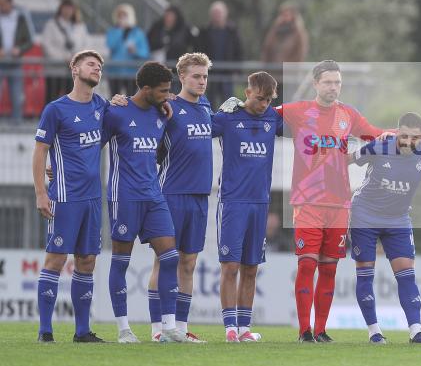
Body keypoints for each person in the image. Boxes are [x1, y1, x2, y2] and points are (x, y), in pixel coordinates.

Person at [274, 60, 389, 343]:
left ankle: (322, 330)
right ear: (315, 84)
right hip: (308, 203)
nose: (333, 87)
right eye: (328, 82)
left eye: (337, 82)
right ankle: (304, 331)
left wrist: (403, 135)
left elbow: (373, 134)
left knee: (329, 268)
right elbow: (262, 113)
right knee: (307, 265)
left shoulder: (348, 115)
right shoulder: (299, 111)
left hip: (339, 204)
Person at [350, 112, 421, 344]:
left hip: (397, 220)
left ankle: (416, 332)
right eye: (404, 136)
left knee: (407, 276)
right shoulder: (379, 145)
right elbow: (347, 159)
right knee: (366, 276)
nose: (409, 141)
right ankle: (375, 332)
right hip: (364, 216)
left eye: (415, 137)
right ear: (397, 133)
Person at [104, 61, 185, 343]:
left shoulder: (161, 112)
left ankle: (169, 327)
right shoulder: (116, 112)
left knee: (171, 256)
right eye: (163, 90)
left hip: (154, 195)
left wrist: (165, 101)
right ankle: (124, 329)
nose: (168, 94)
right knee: (121, 261)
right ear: (146, 88)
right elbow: (91, 146)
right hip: (124, 196)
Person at [33, 50, 107, 343]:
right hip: (64, 197)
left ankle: (82, 331)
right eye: (91, 64)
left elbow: (97, 142)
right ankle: (45, 331)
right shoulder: (56, 109)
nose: (96, 69)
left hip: (92, 199)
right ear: (74, 69)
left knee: (87, 260)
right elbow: (40, 151)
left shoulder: (101, 106)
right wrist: (41, 192)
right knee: (55, 259)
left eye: (100, 67)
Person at [141, 53, 213, 343]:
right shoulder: (166, 107)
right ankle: (158, 328)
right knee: (164, 261)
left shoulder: (207, 107)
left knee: (189, 263)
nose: (202, 81)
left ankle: (181, 329)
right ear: (181, 77)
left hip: (199, 196)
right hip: (170, 193)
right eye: (196, 76)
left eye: (205, 76)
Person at [214, 72, 284, 342]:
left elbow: (304, 120)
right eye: (259, 98)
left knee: (251, 268)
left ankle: (244, 329)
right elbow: (197, 128)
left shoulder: (272, 119)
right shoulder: (228, 117)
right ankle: (229, 327)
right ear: (247, 92)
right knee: (230, 266)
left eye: (268, 100)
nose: (263, 104)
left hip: (260, 203)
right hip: (233, 201)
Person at [40, 0, 90, 102]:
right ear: (60, 9)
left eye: (70, 8)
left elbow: (86, 45)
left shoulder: (80, 26)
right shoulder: (51, 25)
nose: (67, 11)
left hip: (74, 71)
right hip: (55, 70)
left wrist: (76, 58)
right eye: (65, 8)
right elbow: (46, 45)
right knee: (51, 98)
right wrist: (63, 58)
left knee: (73, 99)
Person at [197, 1, 242, 106]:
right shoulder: (204, 31)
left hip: (227, 74)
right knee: (209, 103)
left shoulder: (232, 31)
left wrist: (237, 70)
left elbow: (238, 51)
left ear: (225, 14)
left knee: (229, 104)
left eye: (219, 13)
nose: (217, 16)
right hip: (209, 74)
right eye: (215, 13)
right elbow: (198, 51)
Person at [0, 0, 34, 122]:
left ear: (10, 3)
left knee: (16, 95)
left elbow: (29, 41)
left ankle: (16, 124)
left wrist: (19, 50)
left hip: (15, 62)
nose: (2, 7)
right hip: (1, 62)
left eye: (3, 4)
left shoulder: (20, 18)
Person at [106, 4, 149, 96]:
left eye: (125, 16)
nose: (122, 19)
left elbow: (145, 53)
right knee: (114, 99)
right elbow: (111, 45)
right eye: (119, 16)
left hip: (131, 73)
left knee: (131, 99)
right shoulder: (112, 31)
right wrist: (120, 31)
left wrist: (135, 51)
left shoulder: (138, 33)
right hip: (115, 72)